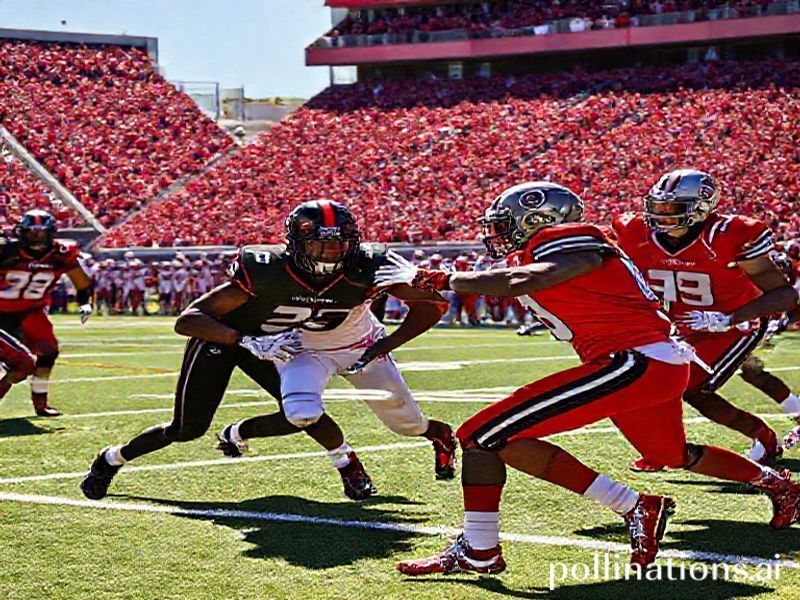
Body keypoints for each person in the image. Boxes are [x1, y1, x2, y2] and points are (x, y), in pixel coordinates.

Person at [379, 182, 800, 573]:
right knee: (669, 454)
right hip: (651, 363)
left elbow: (527, 278)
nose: (498, 234)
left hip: (633, 360)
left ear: (538, 221)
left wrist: (445, 278)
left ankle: (487, 548)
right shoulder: (533, 255)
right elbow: (507, 278)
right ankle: (778, 484)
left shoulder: (572, 239)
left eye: (506, 224)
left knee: (478, 435)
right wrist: (385, 277)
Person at [82, 200, 456, 503]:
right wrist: (243, 340)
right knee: (186, 429)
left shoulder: (362, 267)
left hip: (278, 344)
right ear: (296, 244)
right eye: (320, 245)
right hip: (223, 339)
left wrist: (383, 337)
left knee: (302, 412)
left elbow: (421, 300)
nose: (329, 255)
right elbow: (189, 319)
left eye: (338, 245)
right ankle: (112, 458)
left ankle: (345, 464)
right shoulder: (266, 269)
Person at [612, 169, 800, 468]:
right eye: (658, 205)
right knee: (644, 382)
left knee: (693, 388)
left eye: (672, 207)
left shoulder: (730, 235)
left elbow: (785, 294)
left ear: (701, 207)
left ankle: (762, 436)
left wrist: (727, 318)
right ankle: (663, 450)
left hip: (736, 326)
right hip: (681, 325)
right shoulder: (634, 231)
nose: (661, 214)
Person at [0, 209, 93, 416]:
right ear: (22, 232)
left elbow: (82, 283)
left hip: (30, 312)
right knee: (21, 365)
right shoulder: (7, 250)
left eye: (41, 231)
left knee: (48, 353)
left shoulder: (61, 254)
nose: (36, 236)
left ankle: (40, 403)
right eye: (32, 231)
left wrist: (84, 304)